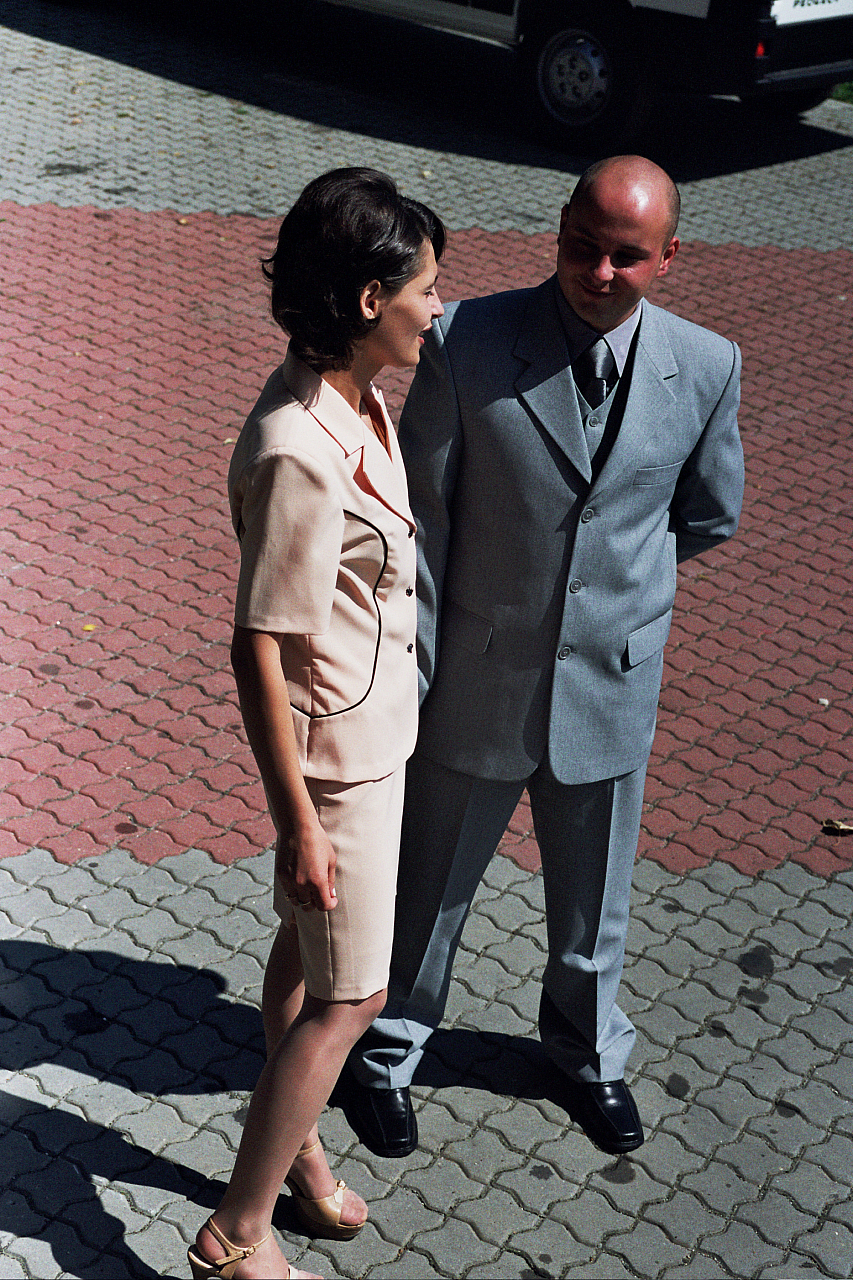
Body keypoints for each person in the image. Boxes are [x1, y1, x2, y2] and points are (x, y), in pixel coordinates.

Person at [344, 155, 744, 1160]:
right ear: (558, 225)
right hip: (476, 676)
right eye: (581, 244)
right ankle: (385, 1051)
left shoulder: (704, 365)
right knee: (428, 890)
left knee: (593, 902)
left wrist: (614, 600)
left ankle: (585, 1053)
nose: (598, 273)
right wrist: (415, 673)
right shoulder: (467, 339)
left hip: (609, 682)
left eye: (626, 257)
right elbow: (422, 521)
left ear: (667, 257)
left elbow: (707, 514)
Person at [188, 168, 444, 1280]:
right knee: (354, 994)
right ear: (366, 298)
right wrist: (298, 818)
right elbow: (258, 643)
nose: (438, 308)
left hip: (371, 736)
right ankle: (233, 1233)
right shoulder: (300, 443)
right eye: (425, 289)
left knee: (301, 965)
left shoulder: (352, 391)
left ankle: (296, 1160)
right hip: (335, 764)